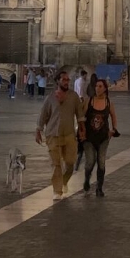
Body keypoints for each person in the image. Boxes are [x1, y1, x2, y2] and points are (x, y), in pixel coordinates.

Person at [35, 71, 85, 200]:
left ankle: (64, 181)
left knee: (70, 163)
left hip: (69, 134)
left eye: (68, 79)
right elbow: (43, 115)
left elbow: (79, 114)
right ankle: (57, 190)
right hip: (52, 135)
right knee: (56, 164)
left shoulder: (73, 97)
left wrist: (82, 130)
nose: (66, 82)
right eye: (64, 79)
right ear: (58, 81)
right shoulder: (50, 98)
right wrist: (38, 130)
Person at [82, 78, 118, 197]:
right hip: (89, 138)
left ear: (105, 88)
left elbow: (113, 116)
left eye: (100, 86)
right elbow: (82, 117)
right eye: (96, 86)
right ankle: (87, 179)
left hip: (103, 138)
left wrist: (113, 130)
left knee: (101, 162)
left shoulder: (109, 102)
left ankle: (99, 188)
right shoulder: (89, 101)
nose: (97, 88)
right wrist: (81, 131)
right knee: (90, 162)